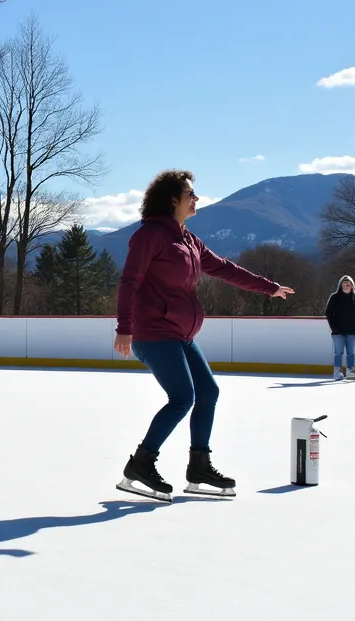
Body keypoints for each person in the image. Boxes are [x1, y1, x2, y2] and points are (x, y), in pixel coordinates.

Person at [113, 170, 294, 502]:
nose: (196, 198)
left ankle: (199, 466)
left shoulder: (188, 240)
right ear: (172, 200)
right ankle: (141, 463)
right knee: (182, 397)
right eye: (190, 194)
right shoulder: (150, 235)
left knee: (208, 391)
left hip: (181, 333)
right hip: (153, 332)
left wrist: (269, 288)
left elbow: (224, 268)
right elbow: (129, 281)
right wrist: (124, 327)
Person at [325, 275, 355, 381]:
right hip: (338, 331)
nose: (346, 285)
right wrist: (334, 327)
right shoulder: (334, 297)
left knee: (350, 352)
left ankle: (350, 370)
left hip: (351, 330)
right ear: (340, 285)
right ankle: (337, 372)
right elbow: (328, 313)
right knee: (338, 352)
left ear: (352, 286)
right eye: (344, 283)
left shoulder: (354, 298)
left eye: (349, 283)